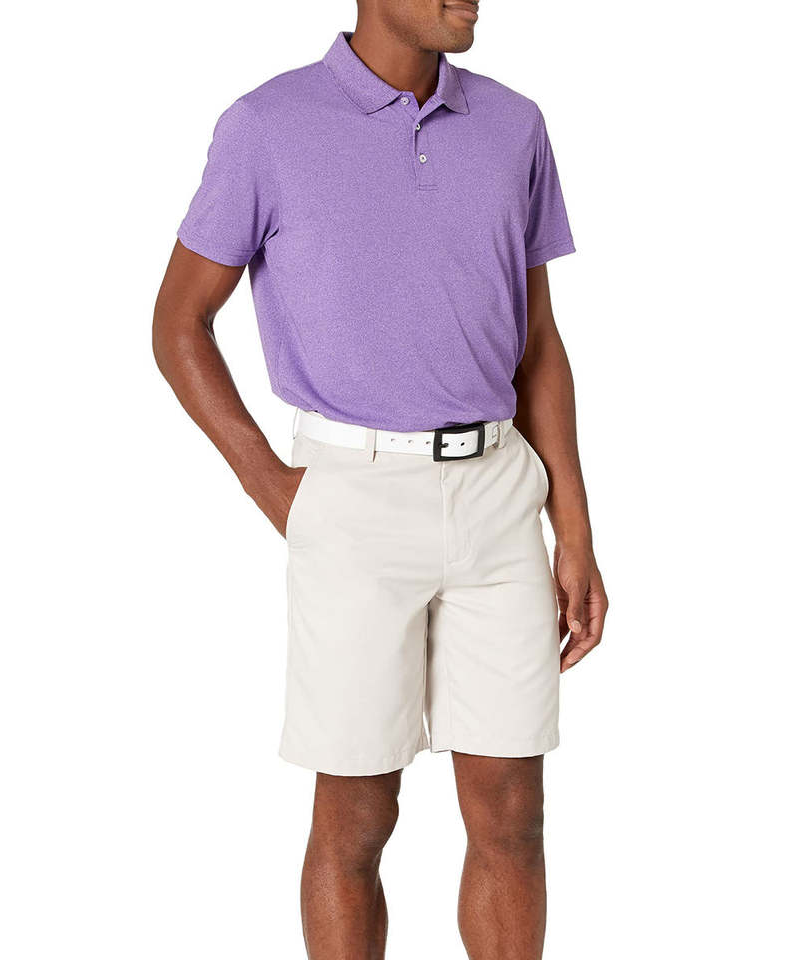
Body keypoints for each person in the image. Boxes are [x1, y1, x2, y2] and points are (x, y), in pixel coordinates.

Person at [153, 1, 608, 956]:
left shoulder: (514, 125)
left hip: (498, 497)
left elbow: (538, 343)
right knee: (357, 812)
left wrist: (574, 528)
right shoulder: (267, 126)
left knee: (513, 810)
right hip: (350, 499)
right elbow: (178, 323)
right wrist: (274, 488)